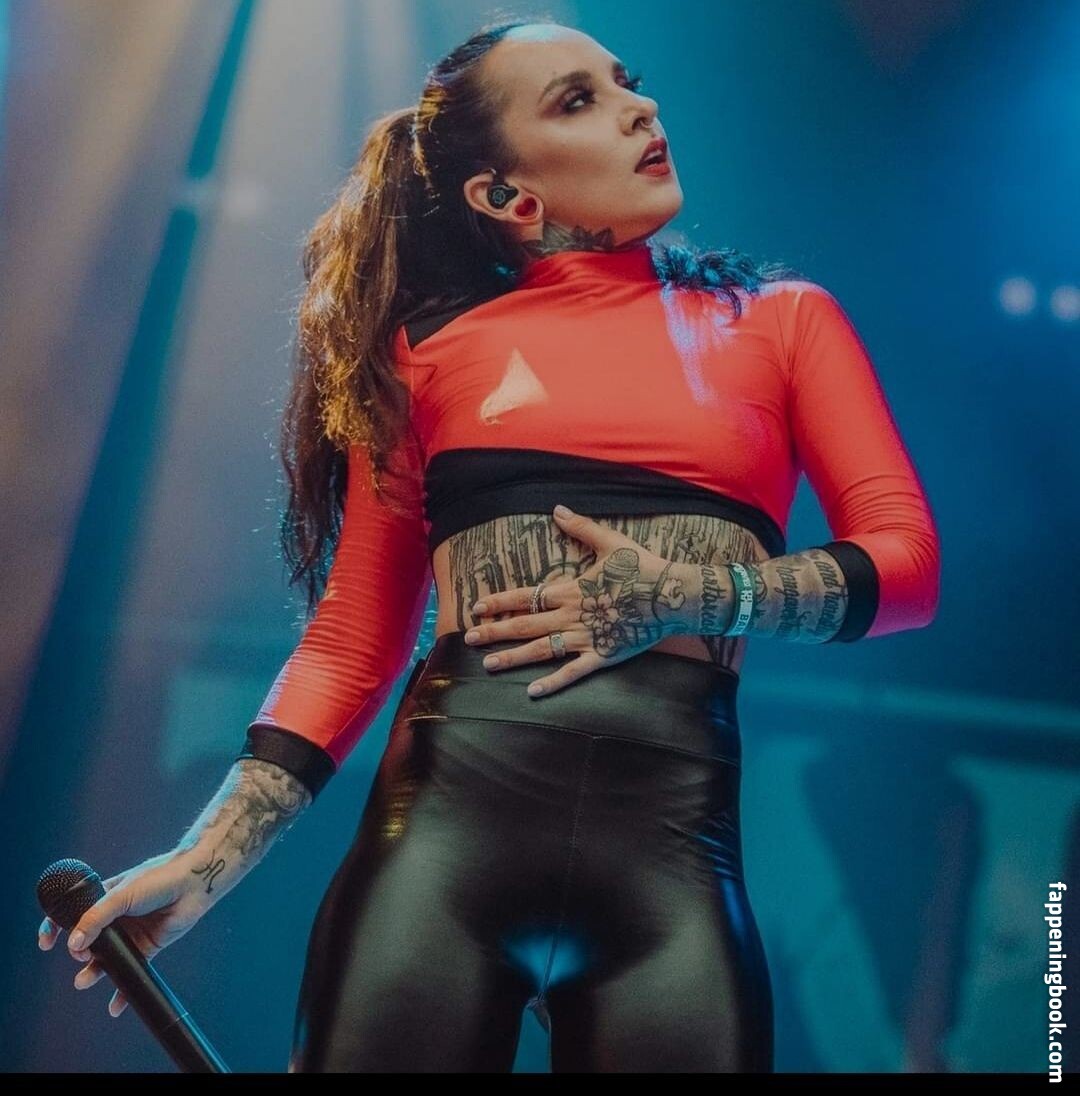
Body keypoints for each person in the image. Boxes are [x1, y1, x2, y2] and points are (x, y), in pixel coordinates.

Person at [37, 18, 941, 1073]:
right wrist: (206, 857)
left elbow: (908, 567)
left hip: (674, 861)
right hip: (444, 854)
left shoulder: (781, 322)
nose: (640, 109)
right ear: (509, 195)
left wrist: (691, 592)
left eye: (627, 82)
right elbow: (353, 639)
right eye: (579, 100)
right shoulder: (423, 355)